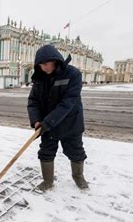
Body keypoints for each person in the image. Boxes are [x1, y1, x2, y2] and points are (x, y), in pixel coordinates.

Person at [27, 44, 89, 191]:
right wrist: (36, 121)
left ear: (55, 60)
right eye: (41, 65)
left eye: (47, 64)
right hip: (47, 125)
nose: (44, 68)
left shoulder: (73, 74)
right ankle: (48, 181)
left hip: (70, 123)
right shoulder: (39, 79)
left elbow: (67, 103)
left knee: (76, 152)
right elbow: (33, 101)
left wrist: (47, 123)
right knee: (46, 152)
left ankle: (78, 177)